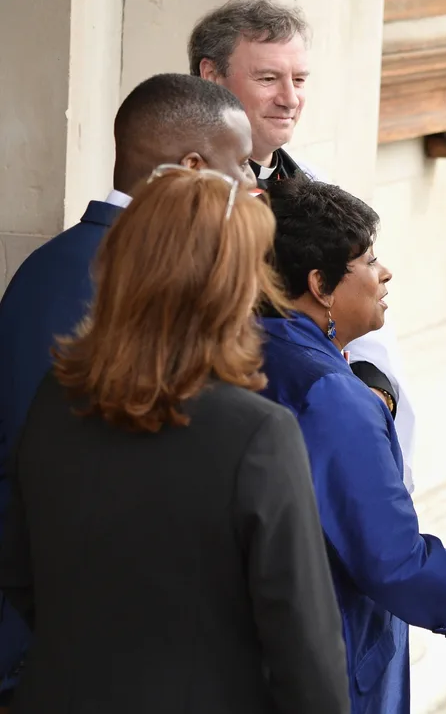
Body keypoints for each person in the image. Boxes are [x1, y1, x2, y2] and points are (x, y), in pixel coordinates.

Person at [0, 166, 350, 714]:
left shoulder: (55, 395)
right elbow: (305, 648)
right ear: (230, 287)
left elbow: (19, 570)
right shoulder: (258, 434)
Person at [0, 72, 258, 703]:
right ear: (192, 167)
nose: (254, 185)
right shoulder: (105, 280)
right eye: (242, 165)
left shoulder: (65, 262)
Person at [257, 176, 446, 714]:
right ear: (321, 285)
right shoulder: (330, 395)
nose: (385, 273)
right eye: (369, 260)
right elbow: (387, 558)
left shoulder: (249, 347)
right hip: (326, 650)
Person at [189, 0, 418, 493]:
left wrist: (376, 393)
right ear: (211, 77)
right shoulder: (175, 202)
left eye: (300, 80)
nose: (289, 98)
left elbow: (367, 328)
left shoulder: (313, 182)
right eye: (268, 79)